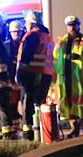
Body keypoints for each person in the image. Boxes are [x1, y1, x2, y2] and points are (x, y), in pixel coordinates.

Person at [54, 15, 83, 137]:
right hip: (65, 79)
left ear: (79, 26)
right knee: (69, 105)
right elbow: (55, 59)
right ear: (66, 27)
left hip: (81, 80)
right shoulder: (61, 42)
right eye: (70, 25)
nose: (72, 28)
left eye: (74, 25)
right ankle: (75, 128)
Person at [15, 10, 54, 141]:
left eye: (26, 22)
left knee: (28, 104)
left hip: (32, 75)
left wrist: (19, 76)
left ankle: (28, 134)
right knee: (40, 104)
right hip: (45, 76)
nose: (25, 24)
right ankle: (41, 133)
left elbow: (25, 58)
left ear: (31, 23)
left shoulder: (31, 36)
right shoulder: (47, 37)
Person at [4, 19, 25, 135]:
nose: (16, 34)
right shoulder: (6, 46)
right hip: (11, 82)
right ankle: (14, 128)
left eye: (18, 32)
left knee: (23, 105)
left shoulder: (25, 45)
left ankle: (20, 126)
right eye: (14, 32)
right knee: (11, 106)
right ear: (10, 33)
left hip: (22, 81)